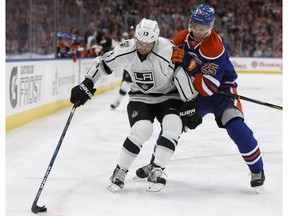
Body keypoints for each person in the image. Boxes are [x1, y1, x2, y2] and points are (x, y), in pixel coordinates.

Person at [135, 4, 265, 193]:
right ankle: (155, 164)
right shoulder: (181, 38)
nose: (196, 30)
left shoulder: (215, 47)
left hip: (221, 92)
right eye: (194, 25)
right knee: (173, 124)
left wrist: (188, 61)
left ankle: (257, 170)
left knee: (236, 126)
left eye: (201, 28)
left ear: (210, 28)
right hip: (194, 92)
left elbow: (209, 88)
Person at [70, 18, 202, 192]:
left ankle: (157, 169)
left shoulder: (167, 49)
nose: (143, 47)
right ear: (135, 38)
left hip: (168, 96)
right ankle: (120, 170)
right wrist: (87, 82)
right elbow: (102, 63)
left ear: (155, 39)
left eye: (148, 44)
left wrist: (189, 102)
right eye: (140, 42)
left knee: (174, 125)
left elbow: (180, 73)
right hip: (140, 97)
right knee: (142, 129)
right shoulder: (126, 48)